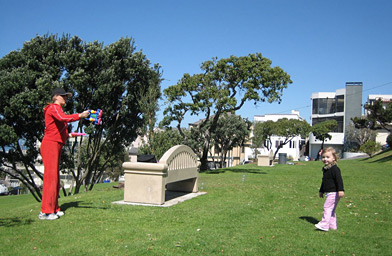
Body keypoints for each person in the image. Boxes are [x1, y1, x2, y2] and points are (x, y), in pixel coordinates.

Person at [39, 88, 90, 220]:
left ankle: (54, 209)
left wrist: (70, 134)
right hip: (50, 144)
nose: (66, 98)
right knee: (51, 178)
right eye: (64, 96)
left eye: (66, 97)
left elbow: (58, 128)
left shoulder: (57, 109)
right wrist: (80, 115)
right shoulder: (53, 108)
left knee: (55, 178)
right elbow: (63, 119)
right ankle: (46, 211)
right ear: (55, 97)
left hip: (56, 144)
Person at [315, 147, 345, 231]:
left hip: (334, 192)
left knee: (327, 207)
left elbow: (339, 180)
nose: (325, 159)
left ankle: (324, 224)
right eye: (323, 157)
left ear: (333, 158)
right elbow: (324, 181)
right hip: (329, 192)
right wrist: (321, 191)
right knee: (331, 210)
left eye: (328, 157)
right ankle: (332, 225)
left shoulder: (335, 169)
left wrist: (340, 190)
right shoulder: (326, 169)